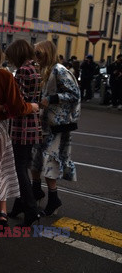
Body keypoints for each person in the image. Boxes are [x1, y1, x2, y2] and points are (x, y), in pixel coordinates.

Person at [0, 37, 38, 228]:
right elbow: (17, 107)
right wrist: (31, 106)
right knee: (0, 169)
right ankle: (2, 212)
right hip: (0, 129)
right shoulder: (5, 76)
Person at [32, 40, 81, 216]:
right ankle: (37, 196)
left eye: (38, 53)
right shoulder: (45, 70)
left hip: (57, 126)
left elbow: (74, 93)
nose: (36, 57)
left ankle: (53, 200)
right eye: (34, 53)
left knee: (50, 162)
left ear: (47, 52)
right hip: (45, 124)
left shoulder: (59, 70)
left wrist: (51, 99)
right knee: (36, 160)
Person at [4, 39, 43, 226]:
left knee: (19, 168)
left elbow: (16, 101)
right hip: (33, 124)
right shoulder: (36, 69)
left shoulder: (22, 71)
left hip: (22, 126)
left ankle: (31, 210)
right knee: (23, 166)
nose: (10, 60)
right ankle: (20, 205)